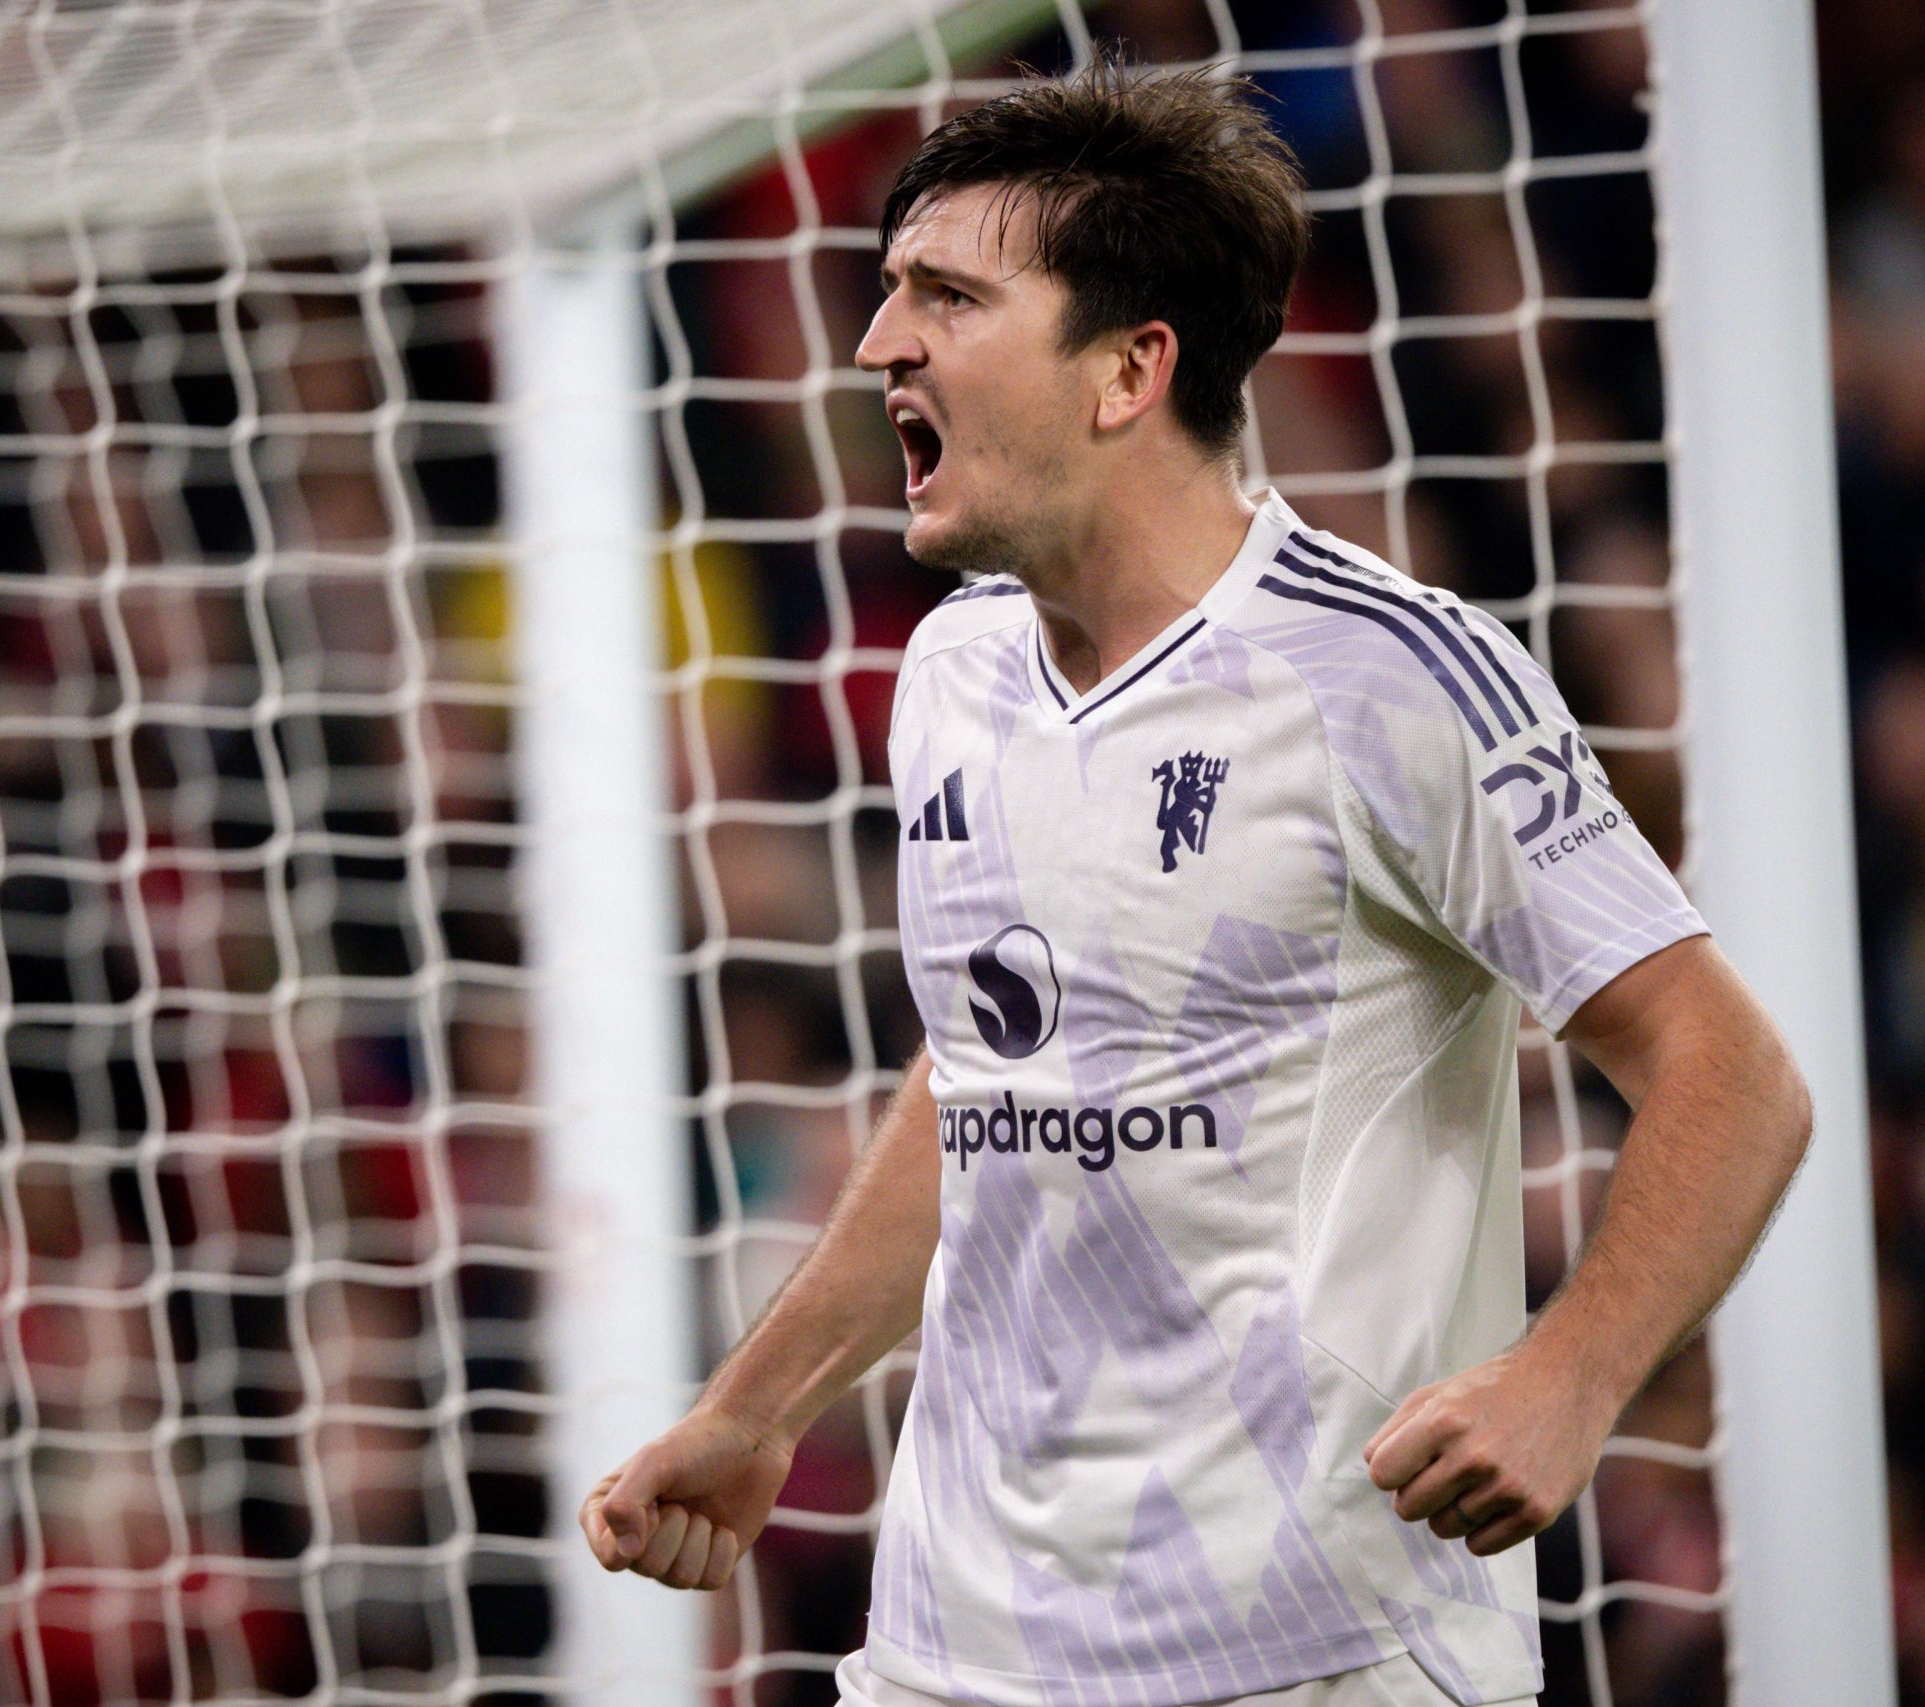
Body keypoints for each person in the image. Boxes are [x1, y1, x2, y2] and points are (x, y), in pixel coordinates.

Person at [580, 61, 1813, 1707]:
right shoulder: (951, 673)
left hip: (1315, 1647)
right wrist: (758, 1408)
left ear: (1128, 370)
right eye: (890, 293)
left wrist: (1568, 1379)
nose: (879, 344)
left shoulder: (1390, 676)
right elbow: (988, 1079)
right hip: (960, 1644)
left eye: (947, 297)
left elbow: (1733, 1075)